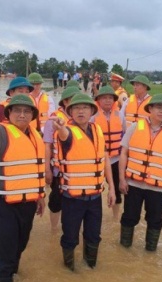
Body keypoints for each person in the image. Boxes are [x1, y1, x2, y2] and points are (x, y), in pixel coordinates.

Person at [0, 94, 46, 282]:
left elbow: (34, 170)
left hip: (29, 202)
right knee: (5, 249)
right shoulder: (0, 131)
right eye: (17, 111)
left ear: (33, 115)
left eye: (27, 111)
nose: (22, 115)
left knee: (21, 244)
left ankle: (12, 274)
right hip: (4, 203)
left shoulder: (35, 135)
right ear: (9, 114)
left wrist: (40, 196)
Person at [51, 93, 116, 271]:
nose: (81, 111)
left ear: (92, 111)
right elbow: (64, 135)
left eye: (85, 107)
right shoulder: (67, 132)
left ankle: (90, 265)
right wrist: (60, 128)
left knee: (94, 236)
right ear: (70, 112)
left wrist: (111, 188)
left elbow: (104, 159)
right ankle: (70, 270)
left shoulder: (97, 130)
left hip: (95, 198)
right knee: (70, 237)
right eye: (76, 108)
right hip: (73, 198)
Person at [119, 94, 162, 252]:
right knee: (129, 218)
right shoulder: (135, 127)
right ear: (151, 109)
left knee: (155, 221)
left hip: (157, 188)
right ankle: (124, 250)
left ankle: (150, 251)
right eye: (158, 107)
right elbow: (124, 153)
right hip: (133, 184)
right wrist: (122, 179)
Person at [43, 86, 80, 230]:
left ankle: (71, 226)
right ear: (65, 102)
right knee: (56, 200)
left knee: (75, 200)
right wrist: (47, 170)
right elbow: (47, 146)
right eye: (72, 102)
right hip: (58, 169)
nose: (76, 107)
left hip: (76, 170)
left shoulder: (81, 120)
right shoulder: (52, 121)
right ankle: (54, 230)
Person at [91, 86, 125, 220]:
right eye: (104, 98)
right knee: (95, 189)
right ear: (98, 100)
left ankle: (115, 219)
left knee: (116, 189)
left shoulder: (119, 114)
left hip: (115, 159)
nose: (107, 100)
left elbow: (124, 134)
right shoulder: (93, 115)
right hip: (98, 159)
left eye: (110, 98)